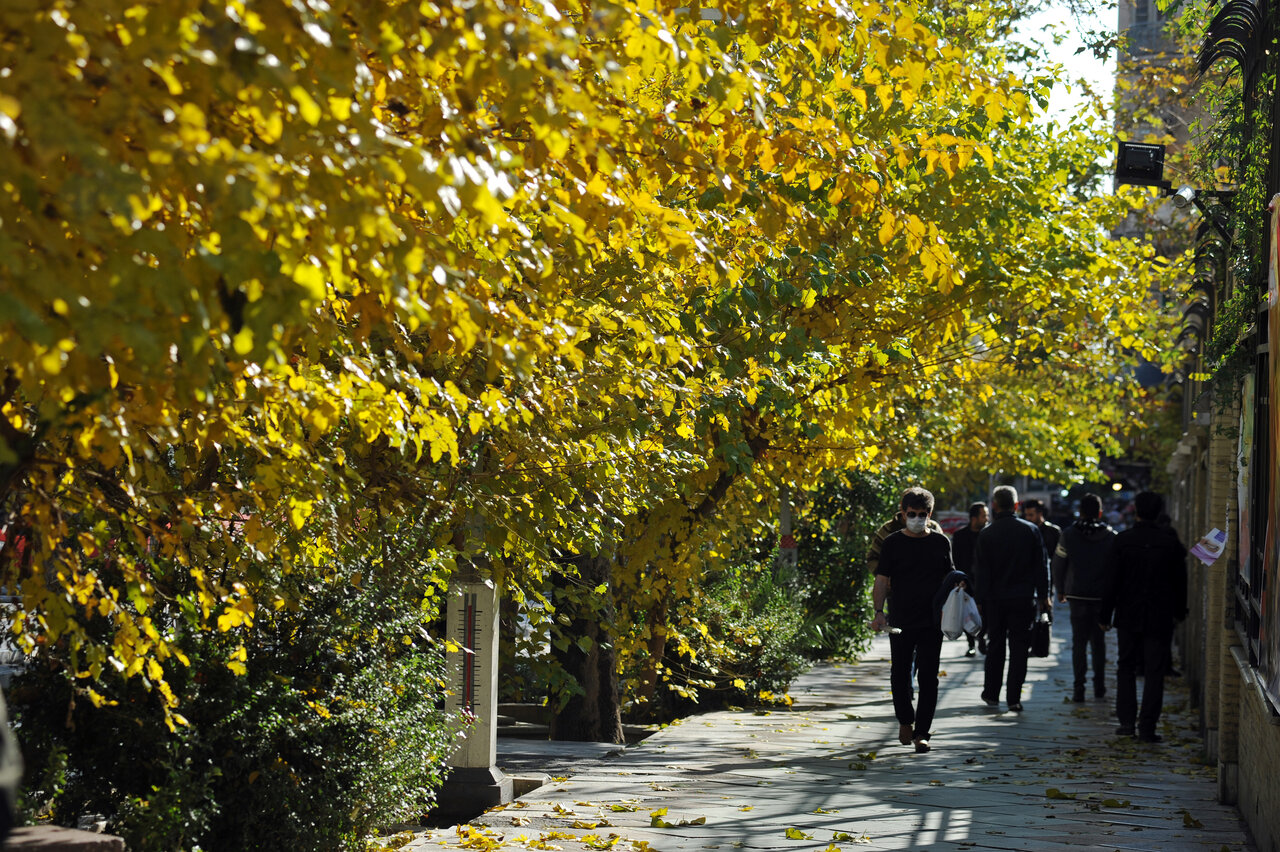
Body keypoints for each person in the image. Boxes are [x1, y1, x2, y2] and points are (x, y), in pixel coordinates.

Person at [870, 487, 954, 754]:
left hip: (932, 619)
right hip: (901, 617)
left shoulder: (941, 542)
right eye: (912, 514)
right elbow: (881, 579)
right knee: (900, 674)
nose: (917, 518)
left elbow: (949, 576)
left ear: (930, 514)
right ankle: (905, 720)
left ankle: (922, 733)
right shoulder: (892, 542)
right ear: (903, 513)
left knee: (929, 677)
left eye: (922, 514)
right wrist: (878, 612)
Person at [1101, 491, 1188, 743]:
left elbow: (1111, 582)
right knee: (1154, 670)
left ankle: (1127, 722)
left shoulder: (1122, 541)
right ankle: (1147, 727)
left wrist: (1105, 614)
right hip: (1160, 616)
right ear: (1159, 511)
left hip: (1128, 613)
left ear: (1136, 510)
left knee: (1126, 666)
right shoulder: (1170, 543)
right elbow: (1179, 583)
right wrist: (1179, 611)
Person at [974, 485, 1050, 712]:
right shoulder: (1030, 531)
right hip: (1023, 597)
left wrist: (979, 599)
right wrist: (1044, 595)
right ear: (1016, 505)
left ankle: (991, 693)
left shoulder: (986, 534)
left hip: (995, 599)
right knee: (1019, 647)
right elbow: (1041, 566)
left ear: (994, 506)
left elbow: (981, 571)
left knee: (995, 644)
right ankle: (1014, 697)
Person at [1051, 494, 1115, 702]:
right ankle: (1099, 686)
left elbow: (1058, 563)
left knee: (1079, 642)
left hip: (1077, 594)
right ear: (1100, 512)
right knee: (1098, 642)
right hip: (1100, 596)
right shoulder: (1110, 536)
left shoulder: (1069, 534)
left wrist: (1060, 588)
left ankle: (1079, 687)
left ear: (1080, 511)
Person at [949, 502, 989, 657]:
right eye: (983, 515)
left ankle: (982, 637)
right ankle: (971, 643)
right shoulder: (960, 536)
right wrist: (958, 578)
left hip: (985, 581)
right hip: (966, 580)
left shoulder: (988, 534)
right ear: (974, 518)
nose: (986, 518)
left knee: (985, 612)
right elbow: (955, 559)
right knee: (967, 613)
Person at [1022, 499, 1062, 573]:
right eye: (1026, 515)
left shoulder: (1053, 531)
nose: (1028, 518)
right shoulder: (1026, 531)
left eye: (1031, 515)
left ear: (1040, 513)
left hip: (1051, 571)